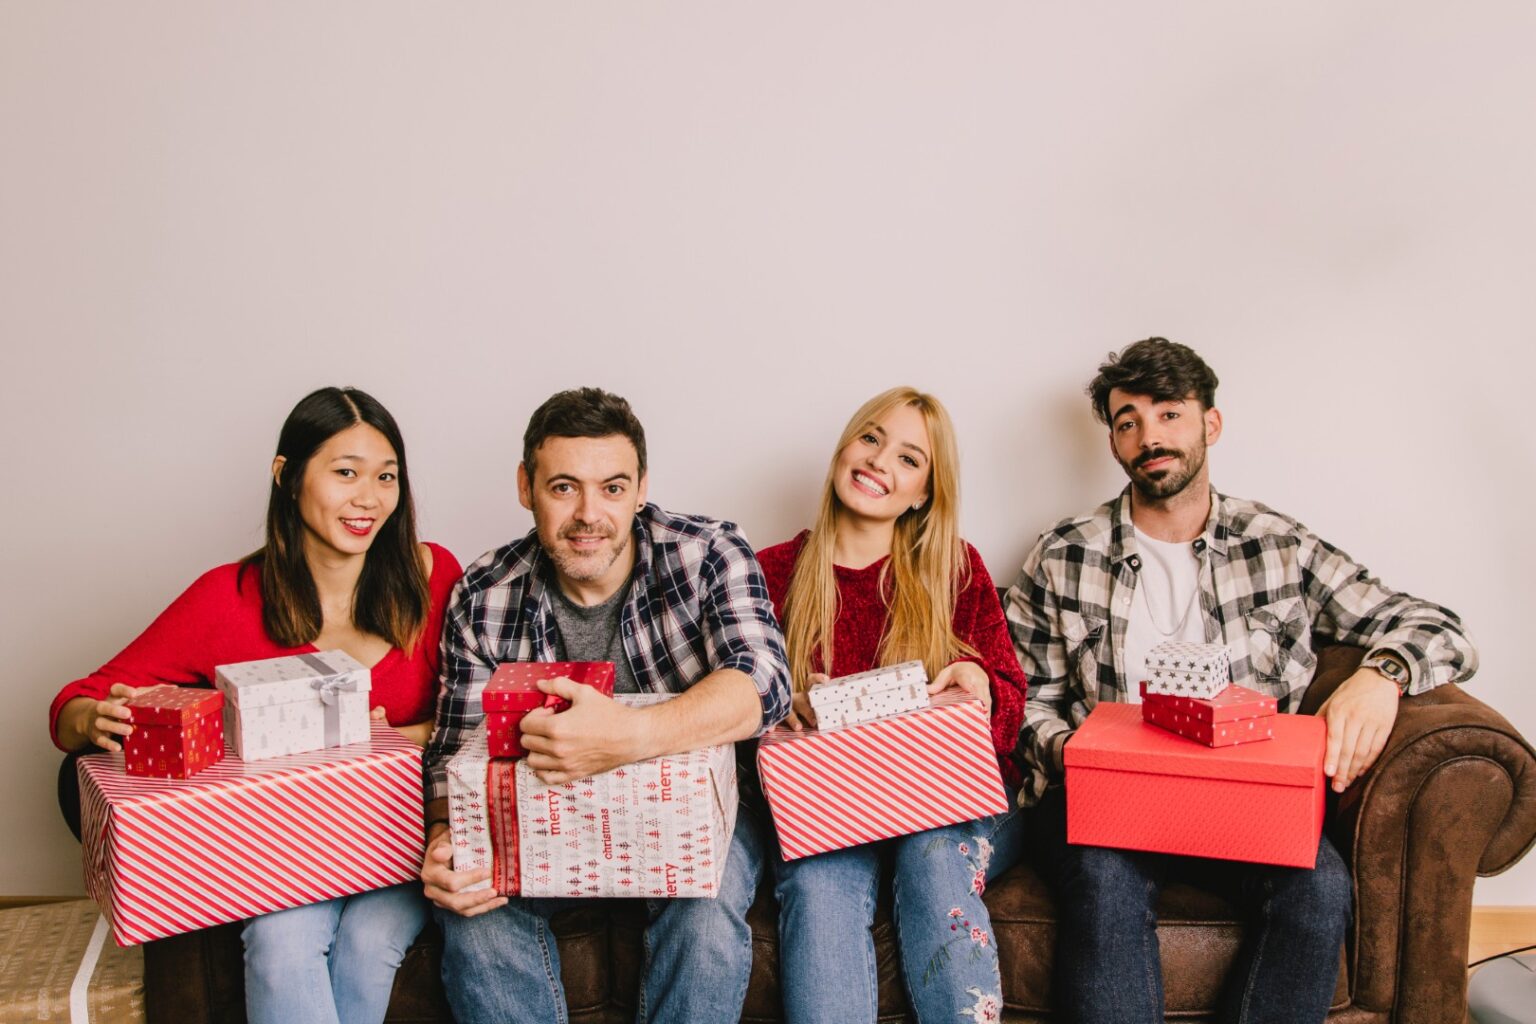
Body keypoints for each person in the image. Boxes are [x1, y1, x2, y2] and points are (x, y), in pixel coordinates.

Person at [1005, 338, 1478, 1024]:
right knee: (1104, 884)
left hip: (1239, 800)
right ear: (1112, 440)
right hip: (1102, 800)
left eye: (1169, 413)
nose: (1148, 436)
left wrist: (1382, 675)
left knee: (1318, 890)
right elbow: (1027, 695)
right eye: (1128, 420)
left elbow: (1436, 624)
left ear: (1210, 424)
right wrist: (1085, 751)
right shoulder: (1065, 550)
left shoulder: (1279, 544)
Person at [49, 386, 463, 1024]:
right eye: (344, 473)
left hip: (400, 840)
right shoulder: (228, 598)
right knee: (279, 941)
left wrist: (385, 739)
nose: (369, 498)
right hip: (288, 845)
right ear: (287, 475)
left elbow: (470, 722)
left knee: (366, 942)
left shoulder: (433, 577)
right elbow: (76, 702)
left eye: (386, 477)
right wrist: (90, 717)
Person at [418, 387, 792, 1024]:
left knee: (706, 918)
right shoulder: (483, 593)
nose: (590, 514)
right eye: (564, 487)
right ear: (524, 485)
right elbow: (454, 754)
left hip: (697, 816)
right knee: (472, 919)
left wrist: (628, 735)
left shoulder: (708, 554)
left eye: (613, 488)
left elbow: (762, 682)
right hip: (538, 817)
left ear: (642, 486)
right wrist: (445, 839)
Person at [757, 386, 1028, 1024]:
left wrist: (980, 683)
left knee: (932, 859)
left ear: (925, 492)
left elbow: (1012, 716)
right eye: (871, 438)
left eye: (910, 459)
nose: (880, 462)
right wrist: (780, 708)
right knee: (817, 884)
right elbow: (742, 715)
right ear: (843, 449)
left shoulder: (955, 570)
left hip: (946, 805)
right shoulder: (770, 572)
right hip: (829, 812)